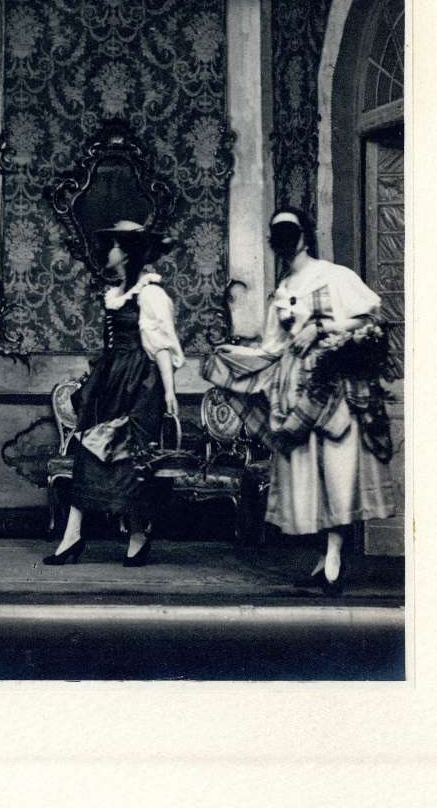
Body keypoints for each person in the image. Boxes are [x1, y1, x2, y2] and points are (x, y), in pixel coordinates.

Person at [203, 206, 398, 594]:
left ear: (305, 237)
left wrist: (321, 327)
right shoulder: (282, 293)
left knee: (338, 473)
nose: (284, 243)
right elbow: (272, 349)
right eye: (277, 237)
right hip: (295, 393)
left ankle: (335, 555)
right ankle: (325, 555)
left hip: (335, 385)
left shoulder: (334, 276)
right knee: (311, 477)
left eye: (289, 234)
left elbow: (371, 319)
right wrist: (233, 354)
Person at [46, 220, 185, 567]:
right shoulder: (116, 293)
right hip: (110, 381)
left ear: (125, 254)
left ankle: (137, 535)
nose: (108, 252)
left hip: (139, 384)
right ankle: (73, 535)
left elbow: (161, 345)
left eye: (114, 246)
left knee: (128, 459)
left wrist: (169, 391)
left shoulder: (150, 293)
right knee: (90, 453)